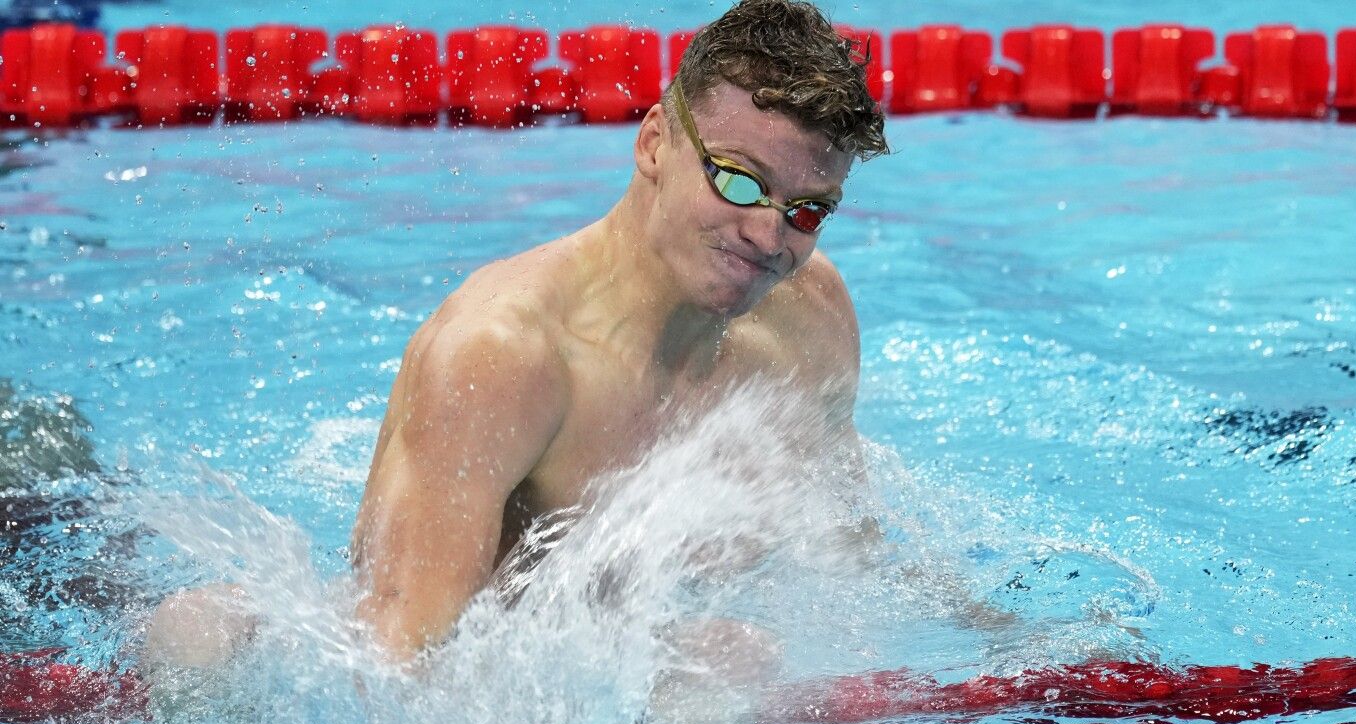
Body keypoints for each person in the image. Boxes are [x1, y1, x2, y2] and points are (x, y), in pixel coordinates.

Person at [143, 0, 889, 675]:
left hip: (605, 667)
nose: (768, 234)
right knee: (201, 633)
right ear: (656, 143)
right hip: (472, 688)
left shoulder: (807, 313)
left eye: (808, 211)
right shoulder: (508, 354)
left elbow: (851, 550)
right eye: (737, 179)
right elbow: (396, 661)